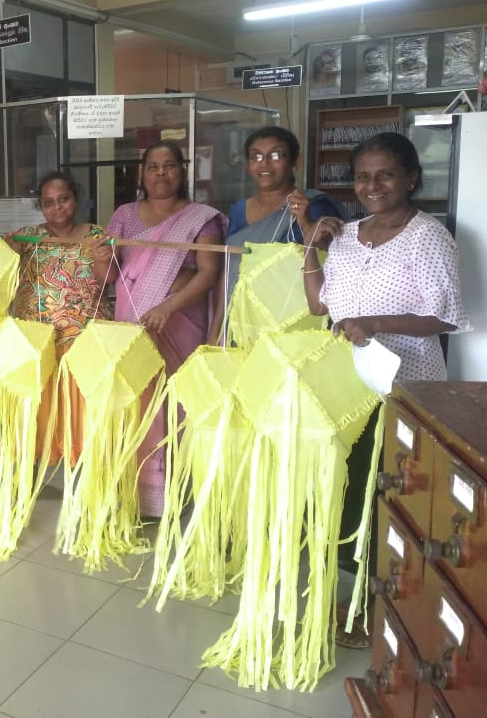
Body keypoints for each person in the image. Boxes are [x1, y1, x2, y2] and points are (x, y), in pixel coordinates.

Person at [303, 132, 470, 647]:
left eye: (386, 175)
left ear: (411, 178)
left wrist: (374, 321)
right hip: (345, 387)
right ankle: (349, 600)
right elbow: (319, 306)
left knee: (388, 495)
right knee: (347, 491)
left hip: (400, 386)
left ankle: (380, 610)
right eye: (362, 176)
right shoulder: (349, 234)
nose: (372, 186)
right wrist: (313, 244)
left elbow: (445, 315)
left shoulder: (429, 237)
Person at [107, 141, 226, 517]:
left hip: (180, 323)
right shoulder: (124, 215)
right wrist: (99, 258)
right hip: (132, 323)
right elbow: (112, 275)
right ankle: (133, 493)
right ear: (142, 173)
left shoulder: (201, 218)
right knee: (135, 404)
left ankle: (171, 494)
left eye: (170, 165)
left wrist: (167, 306)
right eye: (154, 166)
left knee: (172, 406)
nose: (161, 173)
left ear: (182, 171)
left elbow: (209, 272)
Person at [6, 171, 113, 463]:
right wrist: (7, 249)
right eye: (49, 202)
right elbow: (4, 272)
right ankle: (40, 465)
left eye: (63, 199)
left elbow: (110, 279)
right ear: (42, 207)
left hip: (81, 341)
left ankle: (82, 472)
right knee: (42, 410)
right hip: (39, 342)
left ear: (75, 200)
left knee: (80, 410)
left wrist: (103, 258)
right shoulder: (29, 238)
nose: (57, 208)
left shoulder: (95, 235)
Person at [216, 126, 343, 338]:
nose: (264, 163)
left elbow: (336, 264)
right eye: (256, 156)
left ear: (296, 161)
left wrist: (305, 221)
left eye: (276, 155)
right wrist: (217, 330)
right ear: (248, 165)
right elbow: (230, 273)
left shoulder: (316, 206)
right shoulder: (239, 210)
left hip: (296, 324)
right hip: (245, 323)